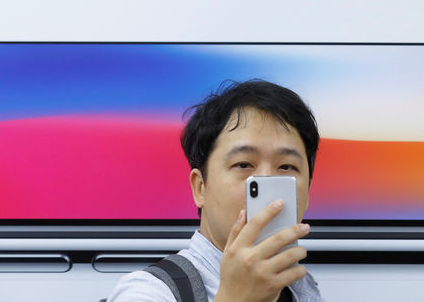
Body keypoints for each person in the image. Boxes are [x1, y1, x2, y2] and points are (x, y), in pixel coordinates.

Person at [108, 79, 324, 302]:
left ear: (307, 191)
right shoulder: (149, 291)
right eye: (243, 165)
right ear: (200, 187)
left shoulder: (302, 289)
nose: (266, 180)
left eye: (287, 167)